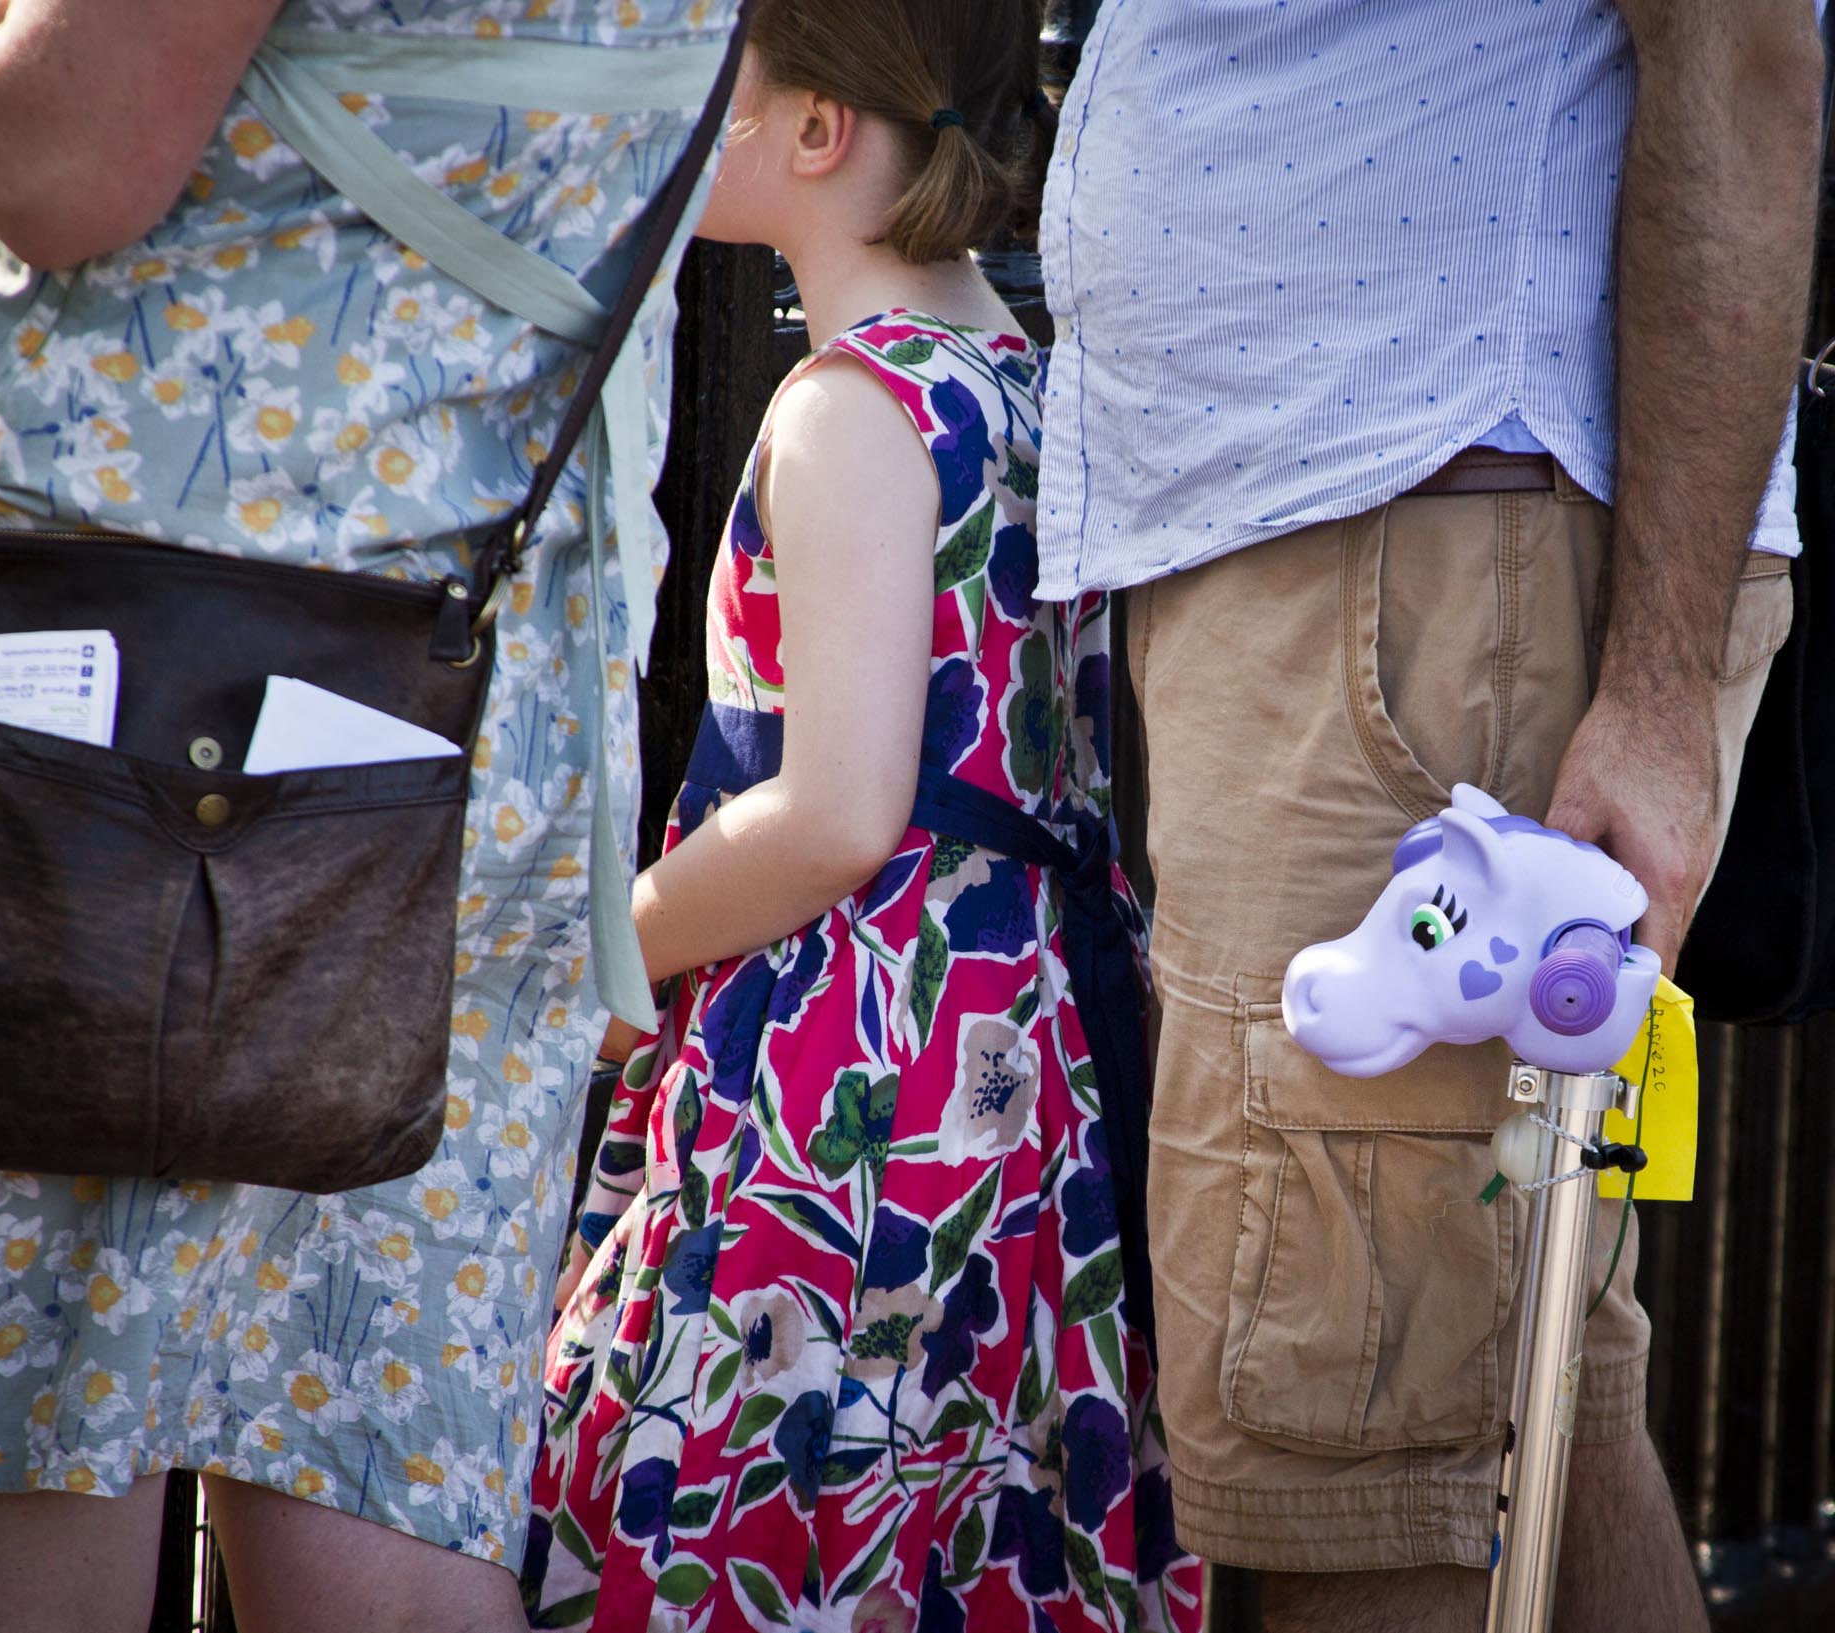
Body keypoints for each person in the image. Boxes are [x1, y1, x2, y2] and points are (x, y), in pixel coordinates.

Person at [0, 3, 737, 1630]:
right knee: (372, 1509)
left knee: (13, 1481)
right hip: (468, 695)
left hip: (84, 678)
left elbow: (64, 140)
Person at [1036, 2, 1823, 1630]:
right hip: (1384, 541)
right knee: (1519, 1395)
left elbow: (1742, 43)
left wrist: (1664, 692)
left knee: (1362, 1453)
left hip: (1433, 554)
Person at [524, 5, 1201, 1628]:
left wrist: (583, 962)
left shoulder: (847, 411)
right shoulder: (1028, 387)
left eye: (721, 61)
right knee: (953, 1513)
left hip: (851, 1069)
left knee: (752, 1493)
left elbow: (834, 812)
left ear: (819, 133)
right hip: (1020, 1065)